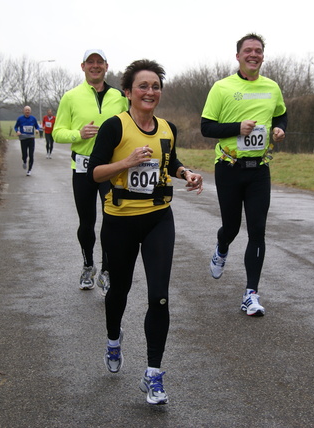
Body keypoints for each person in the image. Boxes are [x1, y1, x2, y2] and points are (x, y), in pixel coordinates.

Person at [87, 59, 203, 405]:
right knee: (119, 291)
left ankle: (153, 374)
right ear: (128, 92)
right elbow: (95, 173)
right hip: (120, 220)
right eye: (143, 86)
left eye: (155, 86)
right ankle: (112, 338)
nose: (150, 91)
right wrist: (126, 163)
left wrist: (187, 174)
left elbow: (172, 161)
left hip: (157, 219)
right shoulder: (114, 127)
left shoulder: (167, 128)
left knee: (159, 295)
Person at [201, 33, 288, 317]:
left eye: (259, 50)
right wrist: (237, 128)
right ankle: (222, 246)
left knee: (257, 230)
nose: (254, 54)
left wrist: (279, 129)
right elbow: (206, 128)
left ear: (263, 56)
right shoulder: (222, 87)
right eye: (248, 50)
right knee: (232, 227)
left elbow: (281, 114)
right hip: (228, 167)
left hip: (259, 170)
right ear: (238, 56)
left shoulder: (272, 87)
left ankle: (251, 294)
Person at [53, 49, 129, 293]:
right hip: (83, 168)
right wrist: (78, 134)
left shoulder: (119, 96)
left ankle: (106, 272)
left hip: (111, 168)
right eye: (90, 62)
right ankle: (88, 265)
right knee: (87, 222)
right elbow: (57, 132)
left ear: (106, 66)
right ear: (83, 66)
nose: (95, 66)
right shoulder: (71, 97)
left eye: (99, 62)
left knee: (112, 222)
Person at [14, 106, 40, 176]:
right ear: (24, 111)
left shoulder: (33, 119)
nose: (27, 111)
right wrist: (17, 131)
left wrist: (37, 130)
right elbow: (16, 126)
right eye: (26, 110)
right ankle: (24, 161)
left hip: (31, 138)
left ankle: (29, 170)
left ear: (30, 111)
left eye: (28, 110)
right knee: (24, 154)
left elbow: (37, 126)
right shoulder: (20, 118)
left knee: (31, 154)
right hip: (23, 138)